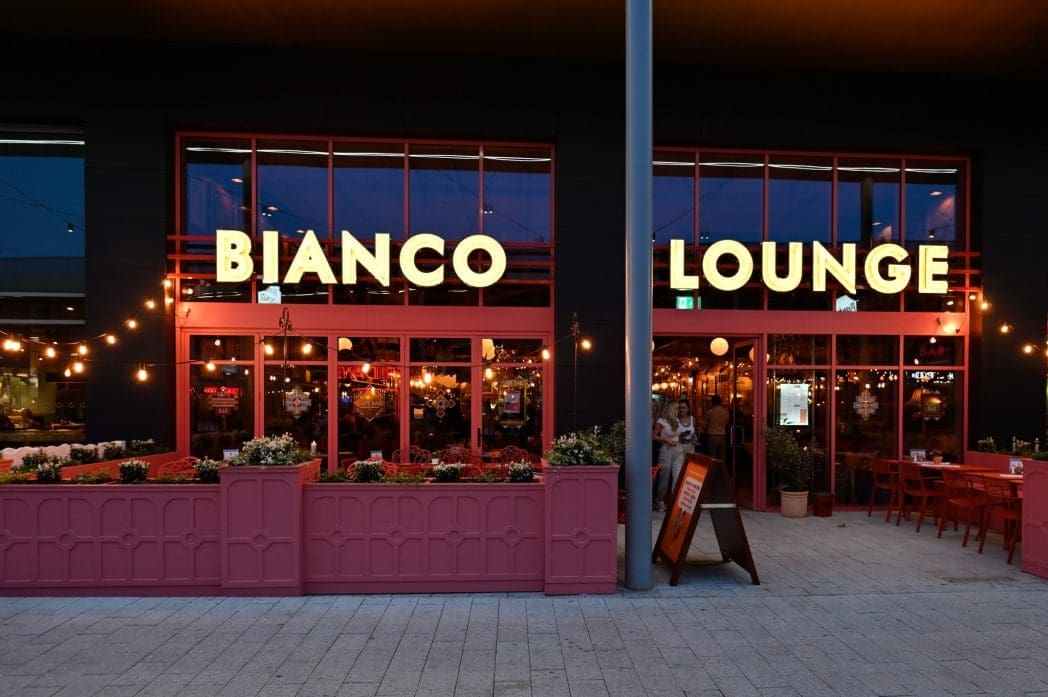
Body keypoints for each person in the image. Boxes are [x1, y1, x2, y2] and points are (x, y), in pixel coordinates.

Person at [652, 398, 684, 511]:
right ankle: (660, 500)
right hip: (666, 450)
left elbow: (678, 435)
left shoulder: (677, 420)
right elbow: (653, 436)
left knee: (678, 476)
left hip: (678, 450)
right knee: (665, 477)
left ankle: (674, 502)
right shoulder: (661, 421)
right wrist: (665, 439)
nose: (678, 410)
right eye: (676, 408)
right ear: (670, 409)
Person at [704, 394, 730, 461]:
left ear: (712, 402)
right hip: (722, 437)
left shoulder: (710, 412)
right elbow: (726, 423)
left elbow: (706, 425)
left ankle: (714, 471)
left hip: (712, 436)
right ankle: (721, 471)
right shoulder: (725, 412)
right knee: (722, 458)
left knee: (712, 458)